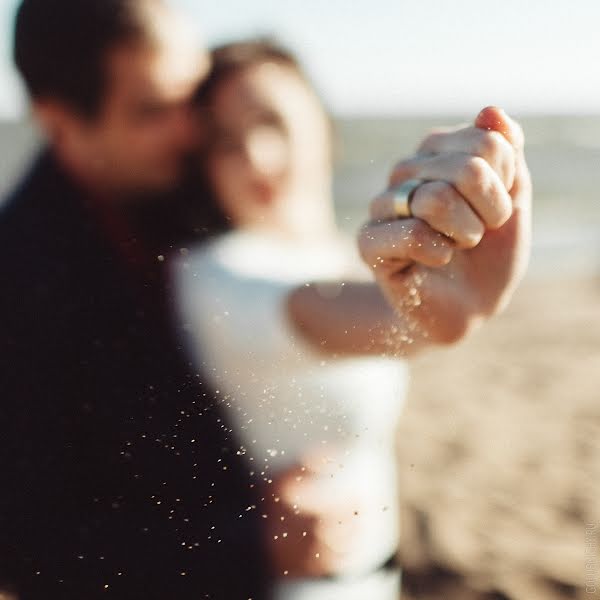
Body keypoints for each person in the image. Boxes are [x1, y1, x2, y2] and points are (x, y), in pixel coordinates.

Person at [175, 39, 531, 600]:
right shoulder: (212, 276)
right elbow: (326, 311)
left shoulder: (344, 256)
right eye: (224, 142)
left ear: (322, 122)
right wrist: (434, 307)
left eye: (270, 120)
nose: (255, 156)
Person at [0, 2, 269, 599]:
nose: (191, 128)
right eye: (153, 110)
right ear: (58, 120)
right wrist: (258, 543)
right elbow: (31, 546)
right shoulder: (15, 282)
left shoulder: (198, 180)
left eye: (192, 94)